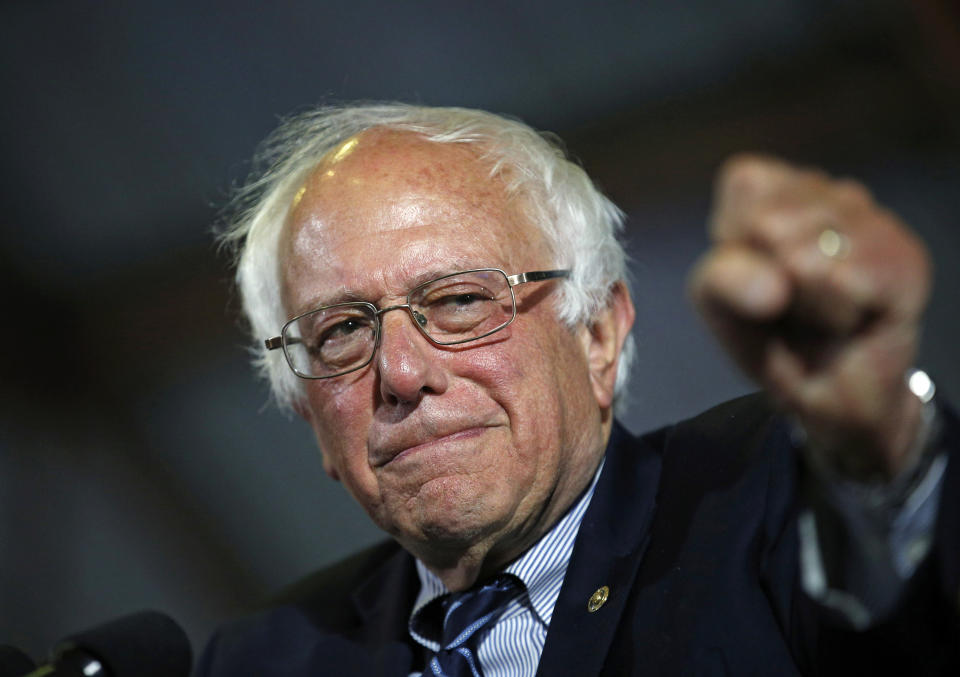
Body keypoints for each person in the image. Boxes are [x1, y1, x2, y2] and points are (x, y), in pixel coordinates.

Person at [197, 104, 958, 676]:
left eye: (461, 301)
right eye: (342, 332)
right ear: (307, 411)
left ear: (597, 333)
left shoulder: (769, 491)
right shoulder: (269, 659)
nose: (401, 372)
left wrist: (885, 450)